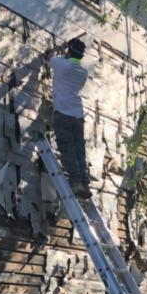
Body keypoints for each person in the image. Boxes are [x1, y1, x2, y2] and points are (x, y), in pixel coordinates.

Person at [49, 38, 91, 196]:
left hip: (63, 113)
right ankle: (84, 183)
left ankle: (76, 182)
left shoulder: (61, 64)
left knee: (67, 148)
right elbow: (69, 62)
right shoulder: (83, 72)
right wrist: (67, 52)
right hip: (78, 115)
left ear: (69, 51)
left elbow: (49, 57)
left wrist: (59, 48)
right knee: (79, 150)